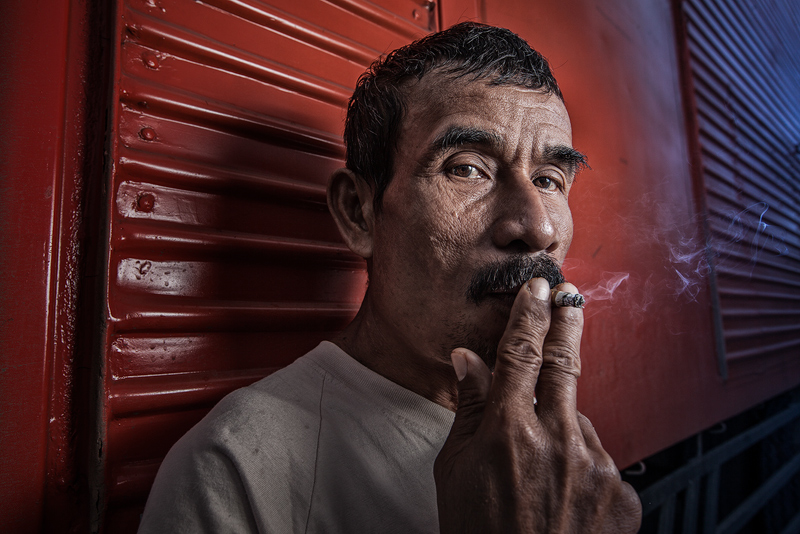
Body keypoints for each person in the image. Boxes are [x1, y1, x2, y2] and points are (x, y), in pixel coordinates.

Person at [138, 22, 642, 533]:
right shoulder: (236, 469)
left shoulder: (564, 446)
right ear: (359, 213)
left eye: (548, 179)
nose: (537, 227)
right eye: (466, 169)